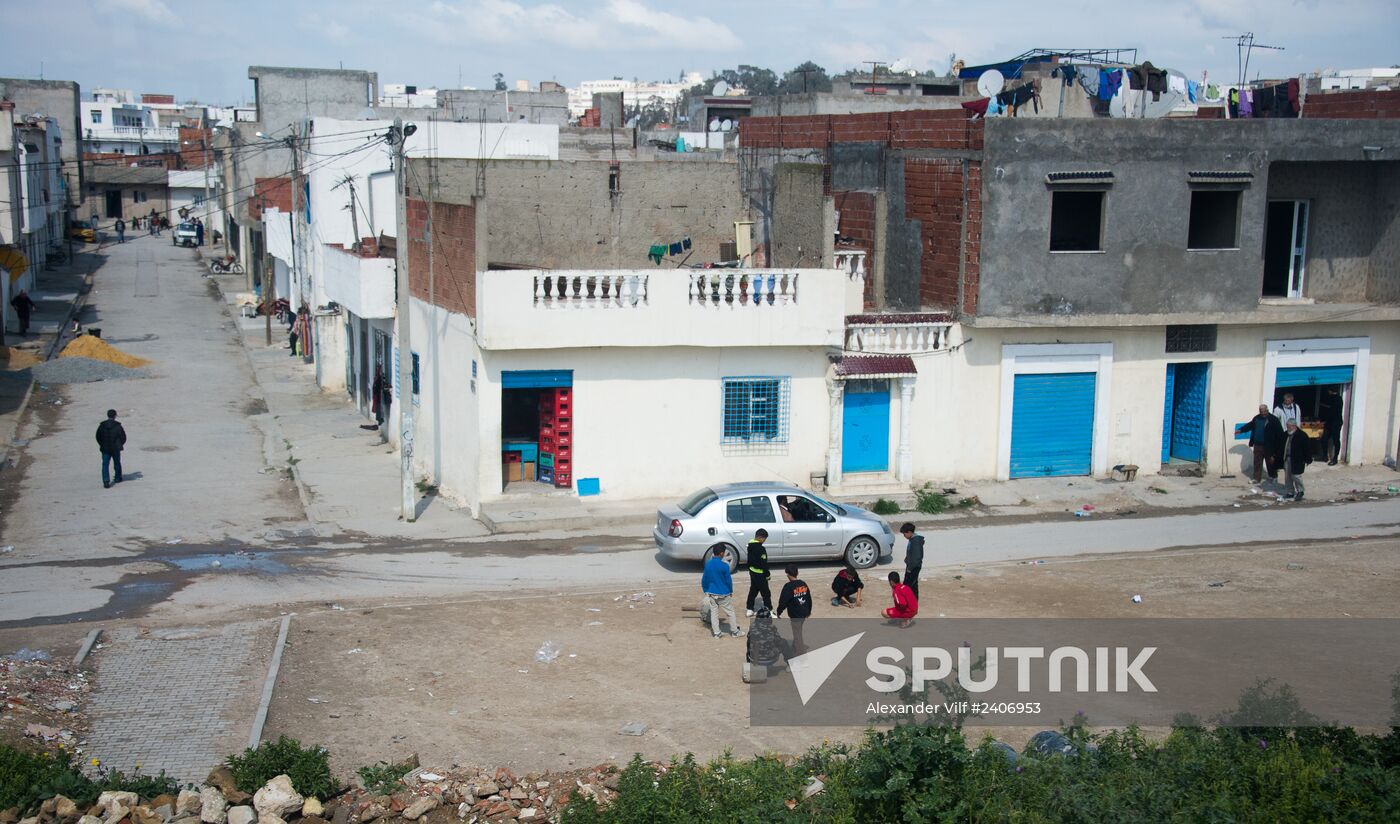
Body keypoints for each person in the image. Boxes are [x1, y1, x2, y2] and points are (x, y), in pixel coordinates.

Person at [700, 545, 742, 638]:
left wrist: (705, 590)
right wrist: (730, 591)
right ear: (722, 553)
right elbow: (728, 581)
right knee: (730, 612)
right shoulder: (724, 566)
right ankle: (735, 632)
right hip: (723, 594)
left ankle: (717, 633)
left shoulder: (708, 564)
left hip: (711, 593)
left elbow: (704, 579)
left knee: (714, 613)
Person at [1239, 404, 1284, 483]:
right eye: (1261, 411)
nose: (1263, 413)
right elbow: (1250, 425)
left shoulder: (1273, 419)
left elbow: (1280, 433)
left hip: (1269, 446)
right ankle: (1256, 478)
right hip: (1258, 444)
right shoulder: (1256, 418)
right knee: (1257, 462)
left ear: (1267, 410)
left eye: (1264, 411)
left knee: (1270, 462)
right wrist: (1241, 430)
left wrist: (1279, 445)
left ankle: (1273, 476)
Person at [775, 565, 812, 657]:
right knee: (798, 631)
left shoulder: (788, 586)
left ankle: (801, 655)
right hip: (804, 612)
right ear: (797, 573)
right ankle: (795, 647)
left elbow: (783, 601)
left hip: (795, 615)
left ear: (787, 574)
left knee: (797, 635)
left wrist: (779, 611)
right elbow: (808, 598)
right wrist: (809, 610)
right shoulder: (803, 583)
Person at [1281, 421, 1312, 501]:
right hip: (1287, 458)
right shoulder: (1285, 434)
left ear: (1294, 426)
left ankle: (1300, 491)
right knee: (1288, 476)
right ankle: (1290, 492)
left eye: (1289, 426)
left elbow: (1307, 448)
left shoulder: (1302, 435)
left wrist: (1308, 459)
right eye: (1287, 426)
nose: (1288, 428)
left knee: (1296, 476)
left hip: (1298, 460)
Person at [96, 409, 126, 489]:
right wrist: (120, 444)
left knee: (105, 464)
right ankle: (118, 477)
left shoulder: (102, 425)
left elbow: (98, 437)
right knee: (117, 463)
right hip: (115, 448)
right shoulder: (118, 426)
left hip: (105, 448)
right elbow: (123, 437)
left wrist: (102, 444)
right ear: (115, 416)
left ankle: (106, 481)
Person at [745, 528, 771, 616]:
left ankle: (749, 608)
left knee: (753, 590)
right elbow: (764, 563)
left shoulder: (750, 546)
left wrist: (750, 569)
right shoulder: (761, 549)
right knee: (766, 592)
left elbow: (749, 560)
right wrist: (767, 574)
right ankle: (769, 609)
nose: (764, 541)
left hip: (752, 572)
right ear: (760, 537)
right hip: (760, 574)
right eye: (764, 539)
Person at [1320, 387, 1344, 466]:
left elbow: (1332, 412)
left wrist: (1324, 420)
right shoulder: (1333, 398)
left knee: (1336, 440)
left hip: (1336, 423)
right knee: (1324, 438)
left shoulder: (1337, 399)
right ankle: (1325, 456)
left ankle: (1335, 459)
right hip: (1330, 423)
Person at [900, 522, 924, 600]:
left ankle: (907, 601)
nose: (904, 536)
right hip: (912, 565)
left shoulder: (915, 541)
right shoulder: (912, 540)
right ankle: (914, 600)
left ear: (909, 532)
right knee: (913, 585)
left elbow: (917, 557)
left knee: (907, 585)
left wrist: (910, 568)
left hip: (914, 567)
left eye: (904, 534)